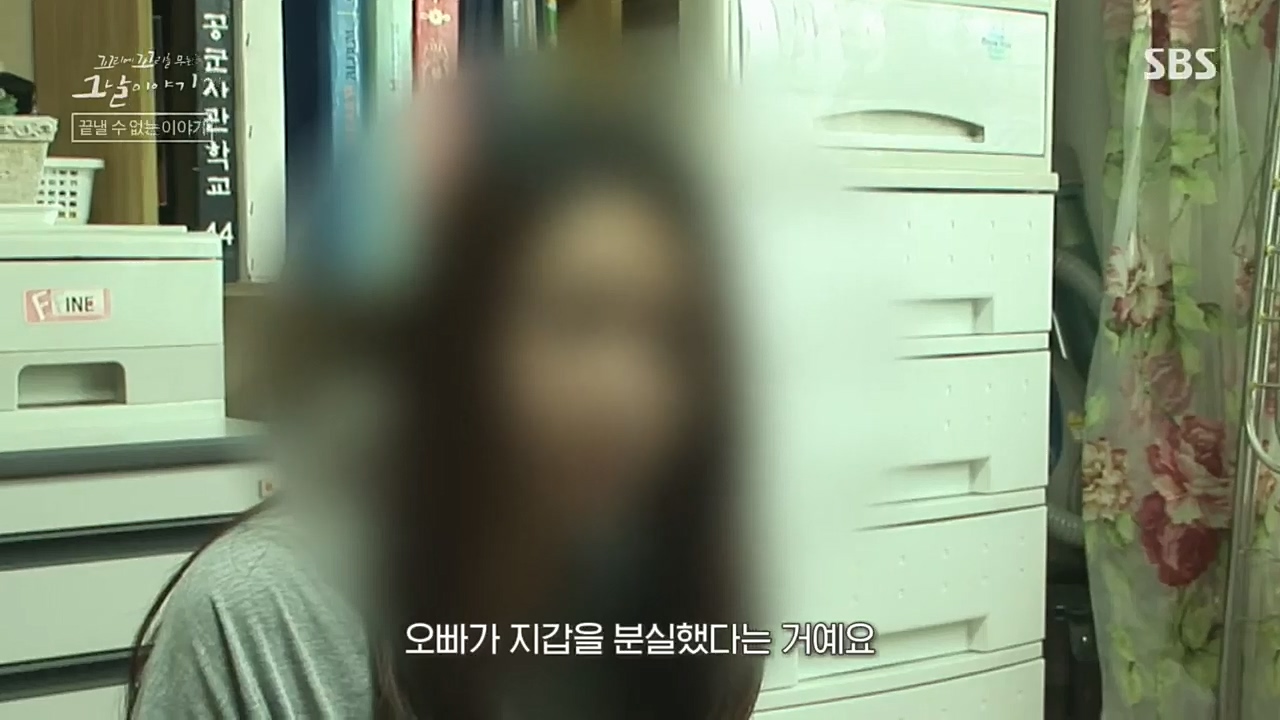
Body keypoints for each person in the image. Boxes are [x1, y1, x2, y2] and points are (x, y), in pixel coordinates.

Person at [126, 77, 763, 720]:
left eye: (675, 335)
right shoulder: (266, 616)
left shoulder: (682, 600)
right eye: (577, 320)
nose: (630, 391)